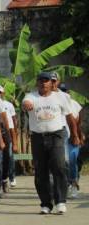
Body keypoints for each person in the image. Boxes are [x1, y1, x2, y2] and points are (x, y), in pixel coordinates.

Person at [22, 72, 79, 214]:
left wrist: (75, 135)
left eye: (46, 81)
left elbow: (70, 117)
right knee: (41, 172)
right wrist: (26, 104)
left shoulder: (61, 97)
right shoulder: (31, 96)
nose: (43, 83)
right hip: (38, 137)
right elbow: (25, 103)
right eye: (41, 81)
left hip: (57, 136)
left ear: (51, 83)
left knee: (59, 166)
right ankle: (46, 203)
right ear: (37, 83)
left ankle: (60, 201)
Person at [59, 83, 84, 198]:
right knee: (64, 162)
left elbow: (78, 123)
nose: (63, 93)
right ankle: (66, 184)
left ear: (68, 93)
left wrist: (78, 135)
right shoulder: (55, 103)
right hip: (59, 136)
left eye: (65, 91)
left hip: (72, 137)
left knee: (72, 161)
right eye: (61, 91)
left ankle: (73, 184)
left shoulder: (74, 104)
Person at [0, 85, 19, 191]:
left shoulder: (8, 105)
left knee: (8, 157)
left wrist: (15, 142)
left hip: (6, 133)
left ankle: (8, 178)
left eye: (0, 93)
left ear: (3, 94)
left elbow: (13, 123)